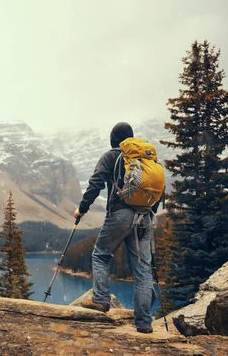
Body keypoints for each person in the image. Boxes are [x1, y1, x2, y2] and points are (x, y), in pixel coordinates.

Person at [74, 121, 161, 334]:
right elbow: (157, 189)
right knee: (142, 271)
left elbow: (95, 183)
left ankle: (101, 300)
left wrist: (82, 209)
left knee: (101, 255)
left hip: (120, 214)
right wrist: (149, 211)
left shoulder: (112, 156)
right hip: (145, 215)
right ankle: (143, 323)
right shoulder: (144, 158)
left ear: (113, 140)